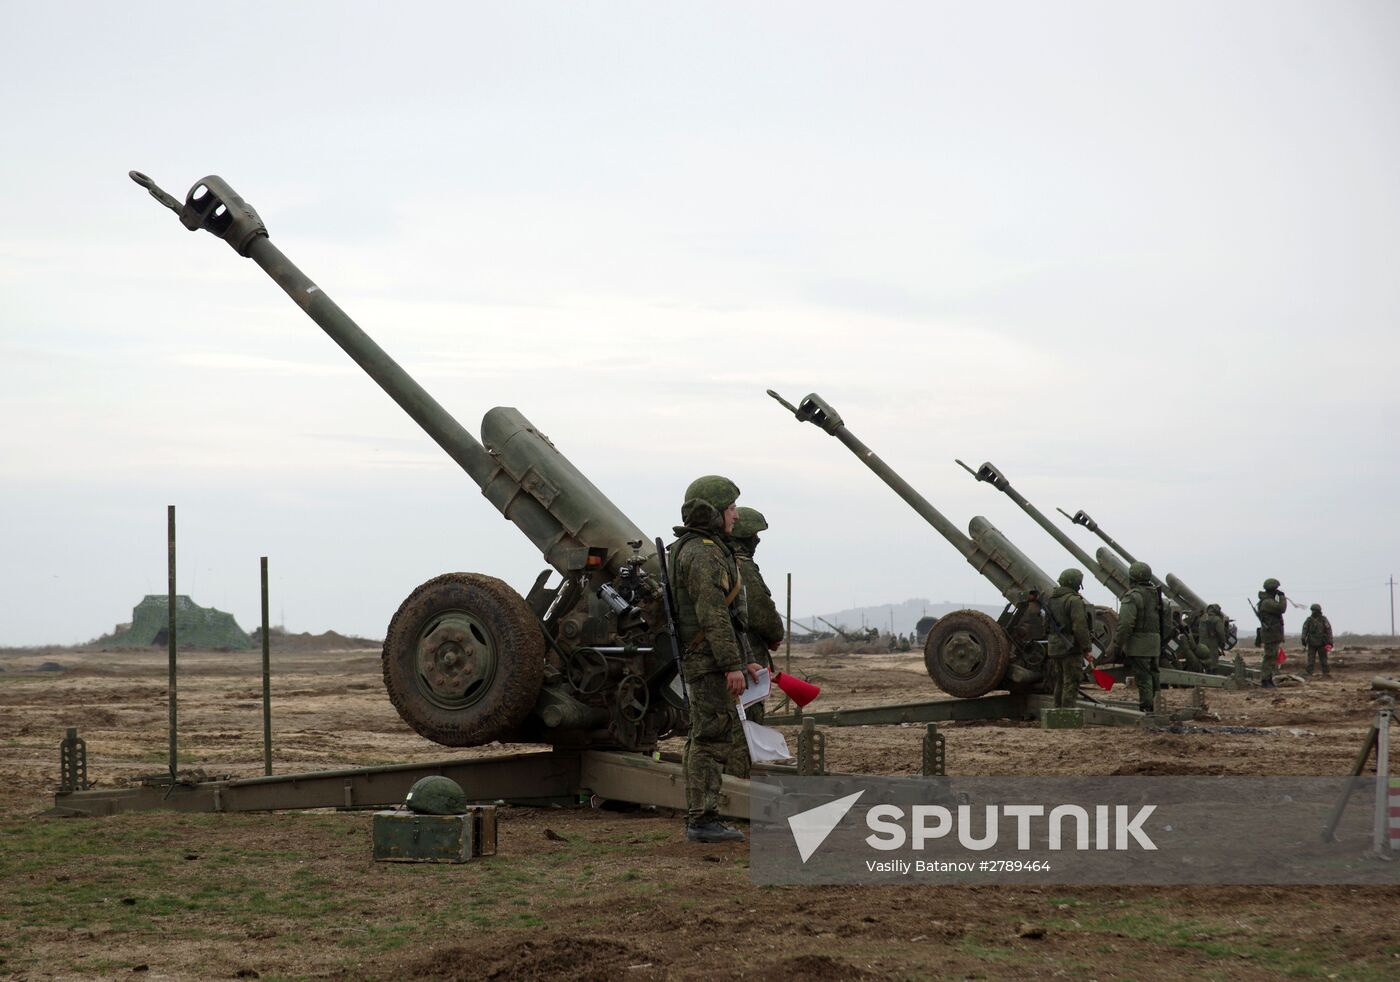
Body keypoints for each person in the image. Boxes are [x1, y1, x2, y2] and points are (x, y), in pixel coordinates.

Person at [669, 475, 761, 843]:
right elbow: (713, 615)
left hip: (710, 658)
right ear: (712, 513)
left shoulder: (702, 549)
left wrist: (747, 659)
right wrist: (730, 666)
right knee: (711, 737)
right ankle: (703, 821)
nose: (736, 517)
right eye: (731, 509)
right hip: (708, 662)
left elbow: (732, 615)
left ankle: (702, 817)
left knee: (704, 734)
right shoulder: (704, 553)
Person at [725, 505, 784, 779]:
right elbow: (762, 614)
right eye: (754, 534)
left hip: (731, 658)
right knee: (745, 725)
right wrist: (775, 635)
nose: (757, 540)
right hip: (745, 662)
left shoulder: (721, 560)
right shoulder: (742, 567)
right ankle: (739, 788)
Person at [1107, 562, 1168, 713]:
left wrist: (1117, 645)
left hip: (1139, 644)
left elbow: (1126, 624)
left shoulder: (1133, 597)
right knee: (1154, 675)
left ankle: (1147, 708)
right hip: (1154, 643)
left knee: (1143, 678)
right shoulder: (1156, 596)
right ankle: (1156, 704)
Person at [1046, 568, 1092, 709]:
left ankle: (1057, 711)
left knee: (1059, 681)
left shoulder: (1051, 600)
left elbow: (1046, 626)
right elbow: (1080, 627)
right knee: (1071, 681)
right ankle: (1067, 714)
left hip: (1054, 647)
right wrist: (1087, 648)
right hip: (1070, 648)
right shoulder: (1074, 601)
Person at [1256, 578, 1287, 689]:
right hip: (1270, 634)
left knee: (1272, 657)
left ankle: (1268, 679)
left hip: (1272, 633)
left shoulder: (1267, 601)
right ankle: (1265, 680)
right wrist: (1282, 597)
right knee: (1269, 657)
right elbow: (1282, 608)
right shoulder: (1267, 602)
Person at [1301, 603, 1334, 677]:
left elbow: (1328, 630)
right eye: (1312, 610)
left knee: (1323, 660)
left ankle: (1326, 673)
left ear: (1318, 611)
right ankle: (1309, 673)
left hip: (1322, 643)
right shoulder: (1309, 620)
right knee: (1310, 660)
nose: (1313, 612)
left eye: (1314, 610)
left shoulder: (1323, 619)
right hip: (1311, 643)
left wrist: (1330, 642)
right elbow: (1305, 630)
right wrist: (1303, 639)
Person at [1196, 603, 1229, 672]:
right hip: (1212, 644)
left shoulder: (1203, 618)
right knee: (1213, 662)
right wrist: (1223, 642)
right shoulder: (1216, 619)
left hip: (1201, 643)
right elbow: (1221, 632)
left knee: (1203, 660)